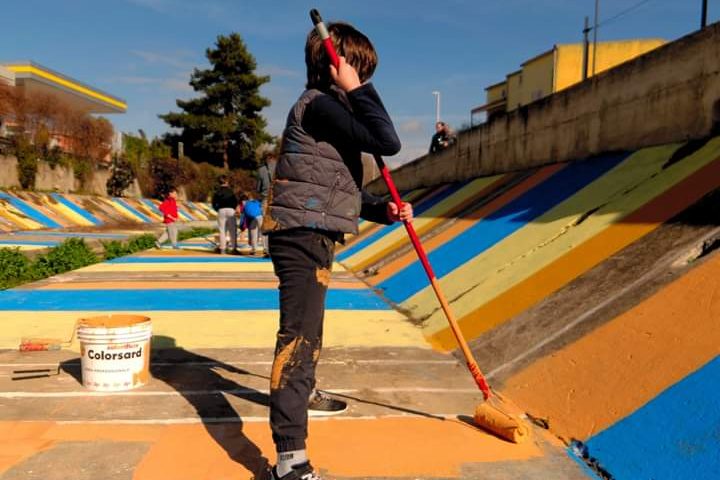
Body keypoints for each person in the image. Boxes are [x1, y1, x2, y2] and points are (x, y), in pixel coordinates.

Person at [261, 21, 414, 480]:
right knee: (298, 339)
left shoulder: (331, 116)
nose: (364, 80)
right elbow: (389, 140)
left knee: (311, 334)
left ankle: (303, 393)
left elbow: (337, 190)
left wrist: (383, 210)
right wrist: (360, 90)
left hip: (312, 230)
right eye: (359, 70)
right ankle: (290, 461)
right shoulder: (321, 106)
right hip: (301, 235)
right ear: (337, 67)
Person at [211, 175, 238, 254]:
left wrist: (217, 209)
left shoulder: (217, 192)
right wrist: (233, 208)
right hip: (230, 210)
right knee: (232, 230)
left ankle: (222, 248)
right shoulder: (231, 191)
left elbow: (213, 203)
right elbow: (235, 202)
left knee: (222, 230)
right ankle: (234, 248)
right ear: (227, 182)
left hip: (221, 210)